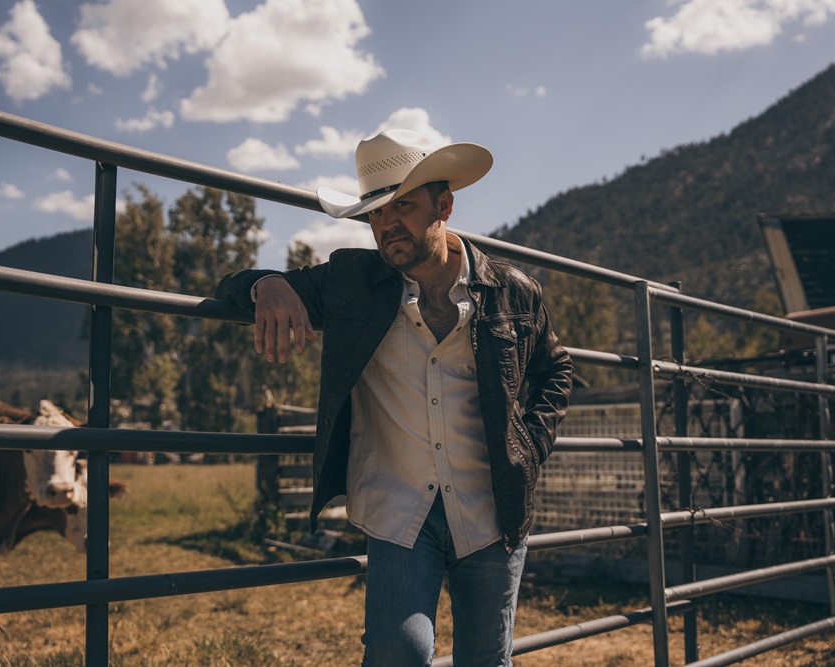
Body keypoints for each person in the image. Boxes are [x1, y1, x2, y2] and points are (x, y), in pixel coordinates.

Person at [216, 128, 573, 666]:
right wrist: (266, 286)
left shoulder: (513, 291)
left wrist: (531, 444)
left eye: (401, 207)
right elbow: (235, 284)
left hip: (492, 509)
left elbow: (556, 369)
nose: (385, 226)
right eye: (375, 214)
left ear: (444, 204)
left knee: (486, 660)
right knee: (396, 654)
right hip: (400, 511)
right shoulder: (351, 281)